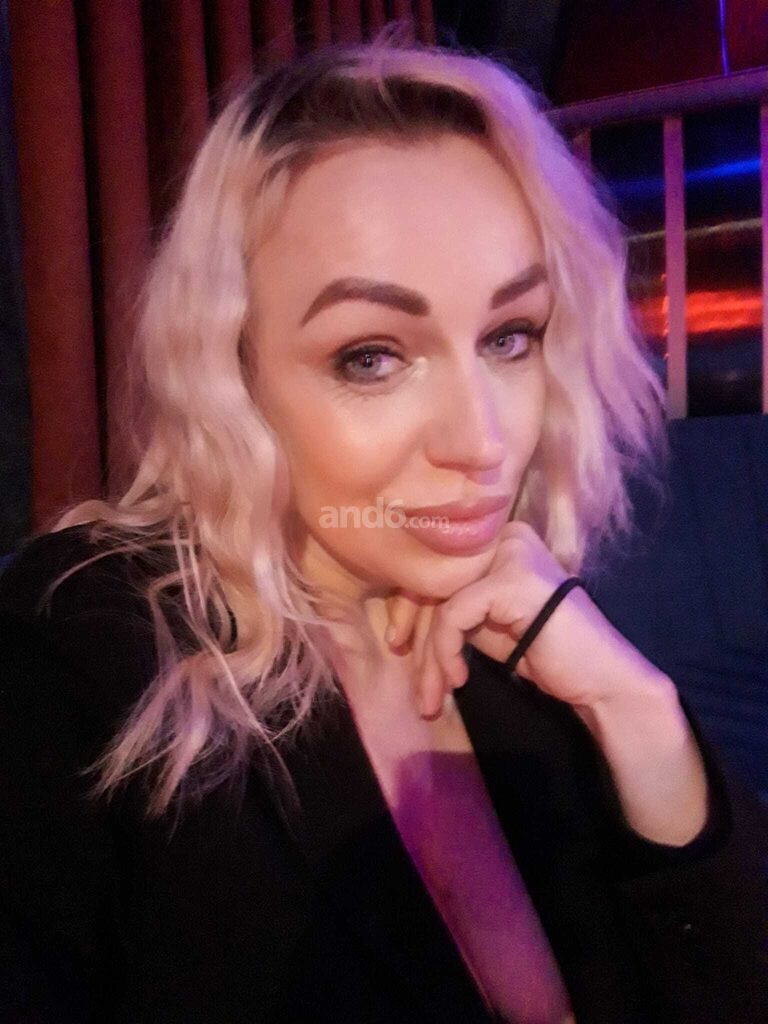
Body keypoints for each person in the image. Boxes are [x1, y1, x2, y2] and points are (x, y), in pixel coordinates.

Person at [0, 24, 766, 1024]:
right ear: (235, 372)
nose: (482, 442)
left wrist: (642, 717)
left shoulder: (518, 630)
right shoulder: (76, 651)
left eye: (510, 336)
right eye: (371, 356)